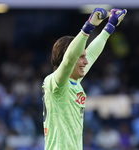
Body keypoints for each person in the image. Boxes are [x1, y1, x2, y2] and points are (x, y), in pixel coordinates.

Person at [42, 7, 127, 150]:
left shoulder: (73, 81)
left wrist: (109, 27)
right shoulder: (55, 82)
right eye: (81, 57)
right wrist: (88, 27)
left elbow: (92, 55)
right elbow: (69, 60)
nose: (86, 61)